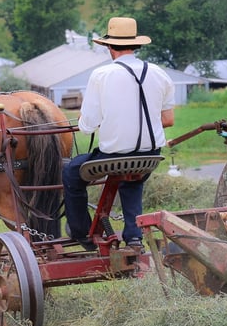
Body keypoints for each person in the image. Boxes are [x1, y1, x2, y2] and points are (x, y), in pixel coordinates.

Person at [63, 17, 175, 251]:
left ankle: (81, 231)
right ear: (136, 45)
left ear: (109, 47)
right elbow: (168, 120)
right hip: (150, 157)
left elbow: (87, 126)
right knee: (132, 179)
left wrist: (113, 125)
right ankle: (133, 236)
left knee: (72, 172)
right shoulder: (159, 73)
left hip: (112, 158)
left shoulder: (102, 75)